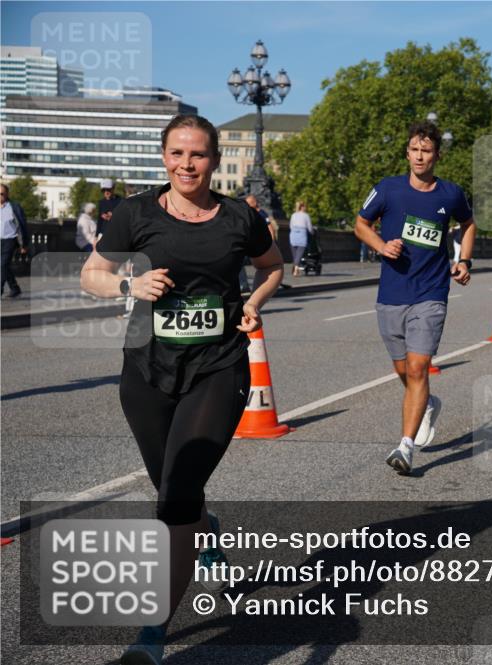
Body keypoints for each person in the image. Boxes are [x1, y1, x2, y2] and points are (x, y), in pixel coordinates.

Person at [80, 114, 284, 665]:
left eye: (197, 154)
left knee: (173, 501)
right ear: (163, 156)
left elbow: (272, 266)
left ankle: (151, 634)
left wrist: (252, 303)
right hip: (147, 372)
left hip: (218, 368)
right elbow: (91, 274)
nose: (186, 164)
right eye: (176, 153)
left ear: (213, 160)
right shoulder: (136, 213)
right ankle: (205, 527)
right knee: (173, 488)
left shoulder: (239, 217)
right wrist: (130, 282)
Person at [354, 120, 476, 475]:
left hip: (431, 291)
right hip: (392, 293)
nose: (420, 156)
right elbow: (361, 224)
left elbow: (468, 224)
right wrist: (381, 246)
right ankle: (427, 402)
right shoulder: (387, 190)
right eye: (414, 150)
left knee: (419, 367)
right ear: (407, 153)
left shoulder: (450, 194)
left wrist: (464, 260)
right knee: (403, 370)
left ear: (437, 155)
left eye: (427, 150)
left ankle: (405, 447)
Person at [0, 183, 29, 298]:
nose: (0, 196)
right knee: (4, 266)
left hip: (10, 240)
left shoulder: (14, 207)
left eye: (1, 194)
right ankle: (14, 288)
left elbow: (22, 226)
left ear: (7, 194)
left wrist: (24, 244)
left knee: (2, 265)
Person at [289, 201, 313, 277]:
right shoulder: (306, 216)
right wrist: (312, 232)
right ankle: (296, 268)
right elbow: (310, 228)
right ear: (302, 207)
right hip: (302, 235)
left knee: (295, 255)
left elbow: (291, 226)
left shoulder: (293, 215)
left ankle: (295, 267)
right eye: (305, 206)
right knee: (299, 254)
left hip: (293, 235)